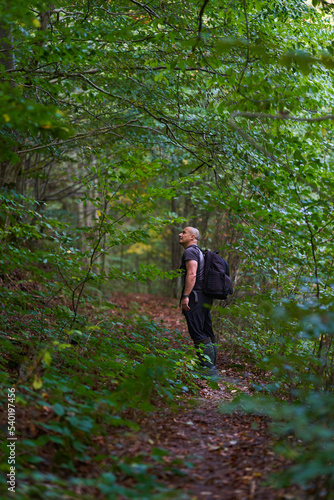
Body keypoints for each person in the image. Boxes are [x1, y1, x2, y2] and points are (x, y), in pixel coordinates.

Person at [178, 226, 218, 377]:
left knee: (197, 331)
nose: (180, 234)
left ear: (193, 237)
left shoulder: (190, 252)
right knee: (206, 329)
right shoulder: (199, 251)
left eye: (184, 233)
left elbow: (192, 274)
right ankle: (211, 367)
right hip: (204, 296)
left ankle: (207, 369)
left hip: (195, 296)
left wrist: (186, 296)